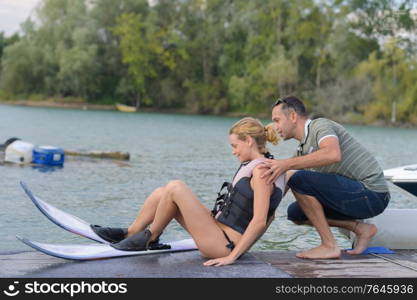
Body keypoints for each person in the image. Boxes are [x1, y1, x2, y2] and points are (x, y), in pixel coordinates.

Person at [91, 117, 285, 266]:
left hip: (224, 245)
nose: (233, 151)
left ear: (249, 141)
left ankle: (148, 238)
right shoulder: (255, 164)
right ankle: (133, 233)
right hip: (216, 230)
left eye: (235, 146)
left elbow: (261, 220)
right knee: (162, 193)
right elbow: (270, 217)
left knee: (176, 187)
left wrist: (233, 256)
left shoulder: (261, 172)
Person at [259, 96, 390, 259]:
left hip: (373, 194)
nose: (274, 126)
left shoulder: (320, 126)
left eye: (277, 120)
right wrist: (262, 216)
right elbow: (284, 183)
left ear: (293, 117)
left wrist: (285, 164)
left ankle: (329, 245)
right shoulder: (302, 151)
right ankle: (360, 228)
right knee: (295, 213)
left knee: (299, 179)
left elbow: (333, 154)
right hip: (356, 197)